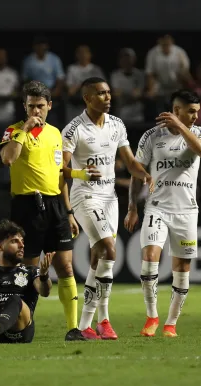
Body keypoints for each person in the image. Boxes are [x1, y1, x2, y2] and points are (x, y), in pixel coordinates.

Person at [61, 77, 154, 340]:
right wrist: (80, 173)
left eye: (109, 92)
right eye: (101, 94)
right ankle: (92, 323)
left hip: (110, 198)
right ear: (87, 98)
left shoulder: (117, 125)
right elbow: (60, 171)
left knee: (99, 256)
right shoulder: (73, 129)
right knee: (110, 251)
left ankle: (96, 323)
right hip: (85, 197)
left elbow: (131, 161)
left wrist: (145, 174)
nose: (108, 97)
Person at [0, 80, 85, 341]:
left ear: (50, 105)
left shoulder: (56, 134)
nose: (36, 111)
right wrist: (24, 129)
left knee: (66, 267)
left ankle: (73, 328)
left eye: (40, 106)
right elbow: (8, 159)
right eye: (31, 106)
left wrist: (69, 212)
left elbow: (59, 175)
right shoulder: (13, 130)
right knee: (29, 271)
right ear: (24, 107)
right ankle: (24, 326)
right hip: (27, 206)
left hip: (56, 206)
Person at [124, 90, 201, 338]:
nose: (195, 116)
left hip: (186, 211)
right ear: (176, 109)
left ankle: (171, 324)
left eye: (197, 111)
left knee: (182, 267)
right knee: (150, 257)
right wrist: (131, 207)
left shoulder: (199, 133)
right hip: (156, 207)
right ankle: (152, 317)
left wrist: (182, 127)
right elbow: (137, 172)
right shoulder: (152, 136)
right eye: (190, 111)